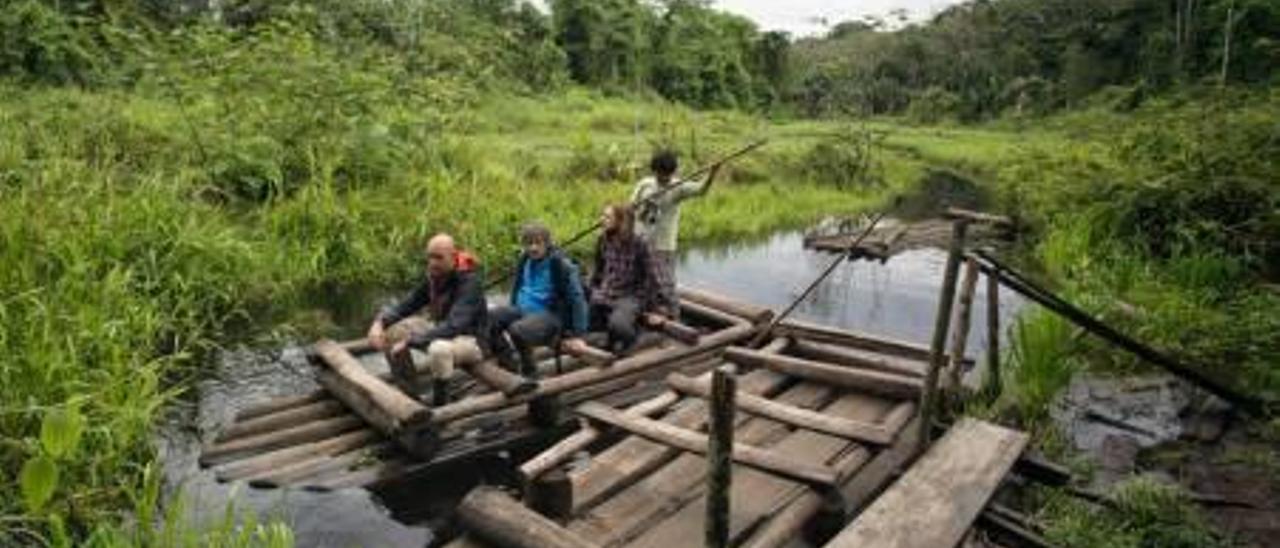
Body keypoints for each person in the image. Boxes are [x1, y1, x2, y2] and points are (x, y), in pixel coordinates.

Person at [366, 233, 488, 406]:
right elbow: (406, 305)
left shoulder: (470, 282)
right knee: (393, 332)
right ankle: (410, 397)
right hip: (443, 331)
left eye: (438, 257)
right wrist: (379, 323)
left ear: (453, 257)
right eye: (429, 257)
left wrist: (412, 340)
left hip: (471, 340)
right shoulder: (434, 278)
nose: (432, 263)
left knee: (439, 350)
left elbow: (456, 325)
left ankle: (441, 407)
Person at [489, 222, 591, 377]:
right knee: (489, 318)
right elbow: (518, 288)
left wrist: (579, 335)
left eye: (538, 243)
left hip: (550, 316)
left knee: (517, 330)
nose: (533, 248)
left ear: (547, 243)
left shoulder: (561, 265)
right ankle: (508, 364)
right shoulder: (525, 260)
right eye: (529, 243)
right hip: (523, 311)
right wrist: (510, 308)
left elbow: (578, 299)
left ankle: (530, 371)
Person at [631, 149, 722, 312]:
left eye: (667, 175)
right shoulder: (645, 184)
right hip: (641, 240)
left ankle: (674, 313)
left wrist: (712, 173)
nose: (664, 178)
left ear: (673, 172)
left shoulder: (679, 187)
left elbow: (701, 190)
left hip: (663, 245)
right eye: (660, 174)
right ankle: (648, 312)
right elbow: (631, 206)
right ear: (654, 171)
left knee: (666, 283)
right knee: (642, 280)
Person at [589, 203, 671, 353]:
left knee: (618, 326)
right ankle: (609, 338)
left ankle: (635, 338)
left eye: (607, 217)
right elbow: (598, 270)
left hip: (631, 296)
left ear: (620, 221)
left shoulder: (641, 243)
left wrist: (661, 310)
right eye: (602, 216)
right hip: (607, 292)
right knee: (583, 318)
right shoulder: (603, 239)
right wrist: (592, 290)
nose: (602, 220)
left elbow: (658, 277)